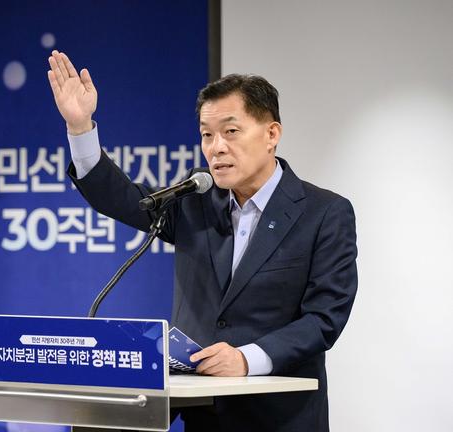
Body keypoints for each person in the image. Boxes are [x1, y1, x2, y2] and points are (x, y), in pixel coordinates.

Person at [47, 50, 357, 432]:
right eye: (207, 135)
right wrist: (80, 127)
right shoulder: (196, 197)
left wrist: (246, 359)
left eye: (231, 131)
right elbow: (124, 200)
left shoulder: (323, 213)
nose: (216, 147)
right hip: (201, 413)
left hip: (278, 416)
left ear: (272, 134)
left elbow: (323, 319)